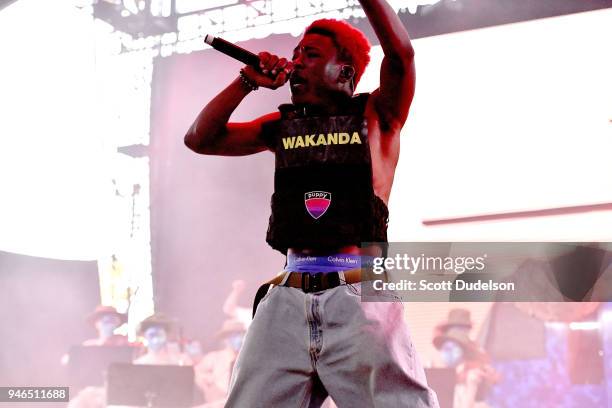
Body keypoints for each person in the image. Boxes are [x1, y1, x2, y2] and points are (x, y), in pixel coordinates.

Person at [185, 0, 438, 406]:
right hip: (286, 297)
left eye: (311, 54)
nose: (295, 62)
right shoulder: (280, 126)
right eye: (296, 52)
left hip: (354, 295)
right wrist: (246, 82)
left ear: (344, 72)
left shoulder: (378, 115)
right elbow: (200, 139)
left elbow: (402, 54)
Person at [433, 313, 499, 408]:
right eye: (446, 348)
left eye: (462, 328)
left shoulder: (475, 366)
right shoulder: (438, 371)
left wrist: (474, 384)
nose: (449, 351)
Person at [194, 319, 248, 406]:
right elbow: (196, 373)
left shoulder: (248, 359)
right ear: (226, 339)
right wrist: (206, 385)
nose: (239, 339)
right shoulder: (215, 357)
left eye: (241, 335)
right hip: (217, 402)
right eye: (234, 335)